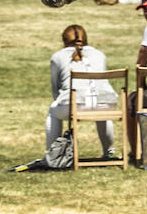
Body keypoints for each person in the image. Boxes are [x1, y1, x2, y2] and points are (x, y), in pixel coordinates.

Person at [46, 25, 119, 159]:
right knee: (102, 112)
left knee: (53, 111)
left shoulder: (57, 57)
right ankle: (109, 152)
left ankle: (52, 155)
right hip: (106, 103)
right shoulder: (100, 54)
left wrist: (58, 100)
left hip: (74, 104)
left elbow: (55, 87)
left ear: (64, 41)